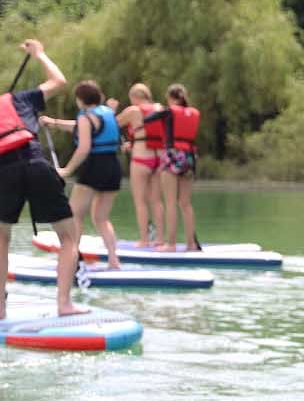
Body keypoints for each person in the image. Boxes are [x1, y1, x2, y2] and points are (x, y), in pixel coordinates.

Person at [0, 39, 83, 318]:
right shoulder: (18, 99)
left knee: (1, 240)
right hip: (35, 164)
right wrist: (39, 54)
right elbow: (59, 81)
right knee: (69, 237)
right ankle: (64, 304)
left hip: (4, 172)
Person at [44, 79, 124, 270]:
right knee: (101, 218)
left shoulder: (85, 117)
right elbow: (81, 127)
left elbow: (84, 148)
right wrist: (53, 123)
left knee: (73, 215)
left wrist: (66, 170)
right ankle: (114, 260)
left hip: (94, 167)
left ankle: (71, 260)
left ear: (80, 99)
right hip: (113, 166)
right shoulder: (107, 113)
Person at [122, 82, 169, 245]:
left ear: (134, 97)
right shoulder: (160, 108)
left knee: (140, 200)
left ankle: (144, 240)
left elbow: (109, 125)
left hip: (141, 159)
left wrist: (111, 109)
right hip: (159, 159)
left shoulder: (133, 111)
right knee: (156, 200)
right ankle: (160, 239)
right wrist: (133, 142)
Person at [157, 83, 201, 251]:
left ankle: (171, 244)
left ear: (170, 98)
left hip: (172, 155)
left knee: (170, 202)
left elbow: (147, 120)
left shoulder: (168, 112)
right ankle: (191, 244)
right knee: (185, 203)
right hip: (189, 157)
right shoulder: (192, 112)